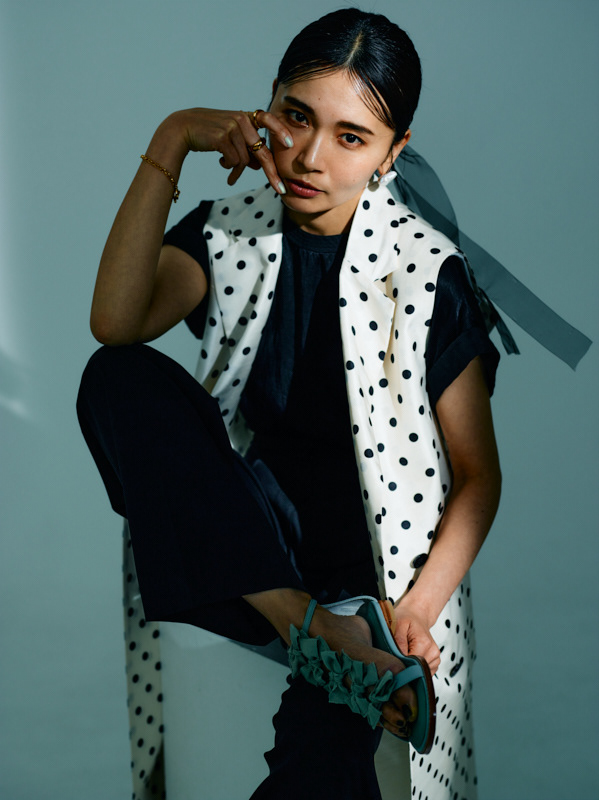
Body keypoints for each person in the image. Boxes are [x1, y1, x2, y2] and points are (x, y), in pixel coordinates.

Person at [77, 8, 501, 799]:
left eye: (351, 137)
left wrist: (414, 611)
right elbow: (115, 322)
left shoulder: (424, 271)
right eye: (296, 117)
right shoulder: (228, 231)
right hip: (249, 552)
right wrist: (174, 135)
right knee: (115, 374)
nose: (309, 157)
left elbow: (478, 476)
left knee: (315, 771)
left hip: (375, 578)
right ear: (266, 103)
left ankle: (336, 638)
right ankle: (312, 629)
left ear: (391, 153)